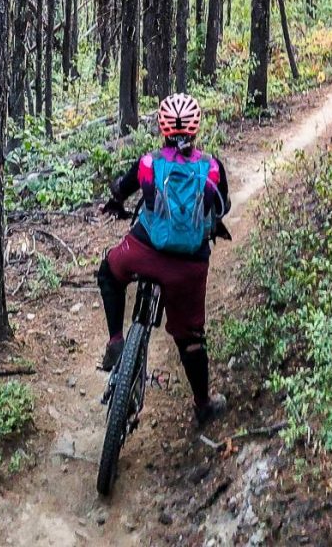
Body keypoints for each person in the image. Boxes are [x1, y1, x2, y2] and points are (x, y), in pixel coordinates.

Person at [97, 92, 230, 427]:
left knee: (109, 271)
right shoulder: (212, 167)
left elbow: (120, 189)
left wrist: (116, 202)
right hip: (189, 267)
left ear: (162, 128)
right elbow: (223, 207)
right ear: (197, 128)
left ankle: (116, 342)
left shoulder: (148, 162)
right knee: (191, 338)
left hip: (145, 253)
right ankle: (203, 405)